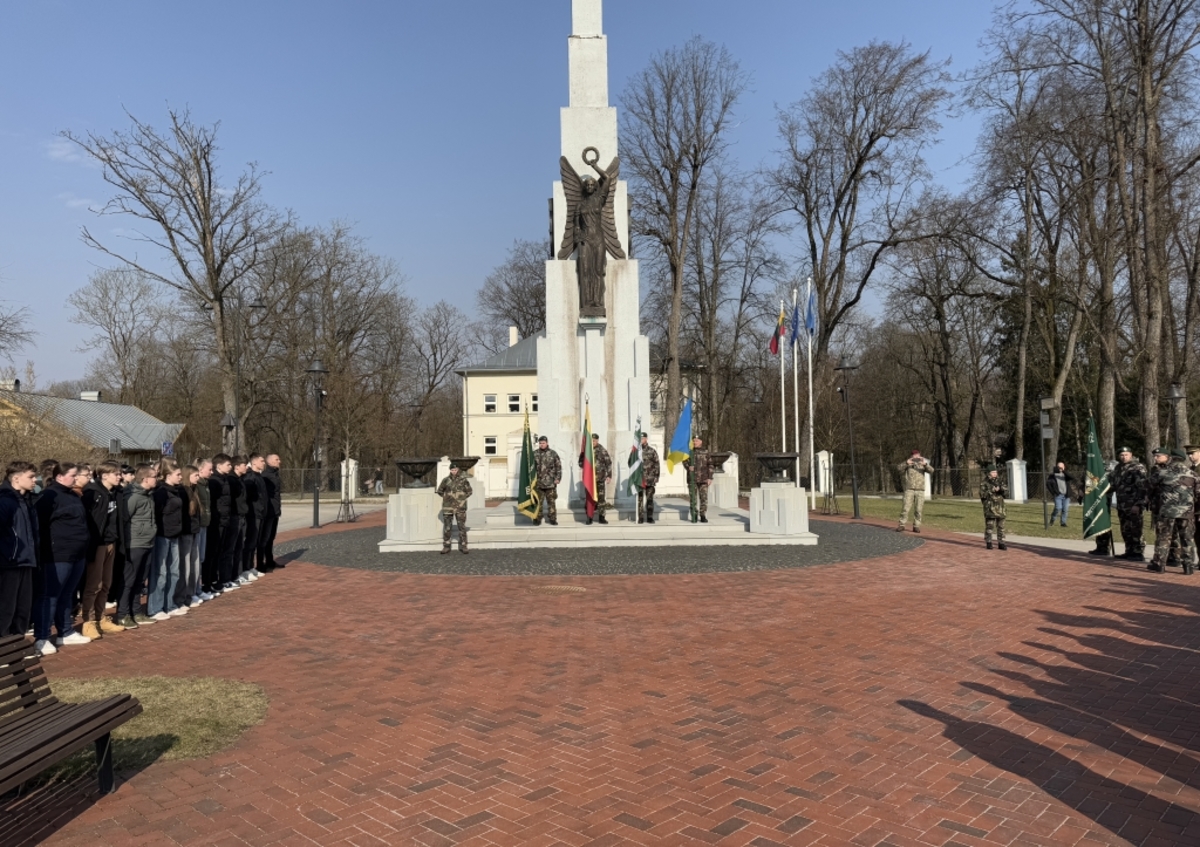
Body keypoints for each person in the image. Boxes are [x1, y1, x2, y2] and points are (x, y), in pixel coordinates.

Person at [33, 461, 91, 652]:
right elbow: (40, 525)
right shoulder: (49, 496)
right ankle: (42, 636)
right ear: (59, 476)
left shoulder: (73, 495)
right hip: (57, 555)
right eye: (72, 475)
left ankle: (65, 631)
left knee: (68, 593)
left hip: (77, 553)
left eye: (76, 475)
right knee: (50, 595)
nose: (76, 478)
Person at [79, 460, 124, 639]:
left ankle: (100, 617)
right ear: (104, 475)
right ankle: (88, 621)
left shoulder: (114, 493)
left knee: (106, 583)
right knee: (94, 584)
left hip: (111, 542)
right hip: (97, 544)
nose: (119, 476)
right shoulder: (92, 493)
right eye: (116, 473)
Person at [0, 460, 39, 638]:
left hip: (27, 561)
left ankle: (17, 647)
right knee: (6, 609)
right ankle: (4, 651)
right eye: (30, 477)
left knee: (23, 608)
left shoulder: (26, 500)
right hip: (9, 563)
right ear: (16, 478)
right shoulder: (5, 501)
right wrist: (8, 555)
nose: (35, 480)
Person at [116, 464, 158, 628]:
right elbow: (125, 520)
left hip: (148, 541)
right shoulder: (133, 496)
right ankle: (122, 614)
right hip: (135, 543)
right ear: (145, 479)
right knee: (129, 580)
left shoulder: (148, 495)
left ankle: (136, 611)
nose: (157, 479)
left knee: (140, 580)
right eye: (154, 476)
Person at [1147, 449, 1197, 575]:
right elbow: (1198, 493)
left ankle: (1160, 564)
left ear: (1172, 458)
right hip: (1187, 512)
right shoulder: (1192, 474)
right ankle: (1188, 566)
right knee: (1187, 538)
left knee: (1164, 537)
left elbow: (1148, 486)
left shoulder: (1162, 473)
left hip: (1167, 511)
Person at [149, 458, 187, 620]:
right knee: (161, 572)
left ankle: (169, 604)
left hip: (175, 535)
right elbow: (155, 514)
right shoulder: (160, 492)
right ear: (168, 475)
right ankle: (155, 607)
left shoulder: (176, 490)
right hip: (162, 536)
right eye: (178, 474)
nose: (180, 477)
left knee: (174, 571)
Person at [1106, 447, 1148, 560]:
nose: (1124, 457)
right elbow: (1113, 484)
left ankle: (1138, 552)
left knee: (1136, 528)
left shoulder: (1137, 467)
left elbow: (1142, 487)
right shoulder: (1118, 468)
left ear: (1131, 455)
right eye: (1121, 455)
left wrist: (1138, 504)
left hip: (1133, 504)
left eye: (1126, 454)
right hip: (1122, 504)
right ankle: (1129, 551)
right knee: (1125, 529)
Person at [175, 464, 203, 610]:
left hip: (194, 531)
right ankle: (182, 596)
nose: (198, 478)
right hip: (186, 532)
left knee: (194, 564)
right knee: (185, 565)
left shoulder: (194, 491)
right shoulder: (183, 491)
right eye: (195, 475)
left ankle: (191, 593)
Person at [242, 453, 268, 579]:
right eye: (262, 460)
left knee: (255, 541)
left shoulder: (259, 477)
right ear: (254, 463)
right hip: (253, 514)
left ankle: (251, 566)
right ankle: (246, 567)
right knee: (250, 541)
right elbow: (249, 498)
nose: (264, 463)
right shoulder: (250, 477)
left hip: (260, 513)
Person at [435, 465, 472, 554]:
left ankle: (463, 545)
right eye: (452, 470)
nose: (454, 471)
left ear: (458, 469)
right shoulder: (446, 480)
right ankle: (446, 546)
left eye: (455, 469)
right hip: (448, 507)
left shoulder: (463, 480)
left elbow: (469, 491)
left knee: (461, 526)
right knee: (447, 527)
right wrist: (447, 497)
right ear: (450, 470)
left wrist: (461, 498)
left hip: (460, 507)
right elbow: (440, 491)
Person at [579, 433, 612, 525]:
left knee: (601, 498)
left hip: (600, 479)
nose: (593, 442)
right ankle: (589, 517)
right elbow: (580, 463)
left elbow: (608, 463)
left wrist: (609, 475)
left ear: (597, 440)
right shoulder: (586, 451)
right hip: (590, 480)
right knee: (589, 499)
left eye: (594, 441)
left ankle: (602, 517)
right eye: (591, 441)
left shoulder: (602, 450)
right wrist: (584, 461)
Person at [896, 450, 932, 533]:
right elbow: (898, 468)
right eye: (914, 455)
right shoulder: (908, 464)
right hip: (909, 489)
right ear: (911, 456)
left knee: (918, 509)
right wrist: (906, 463)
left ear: (920, 455)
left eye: (917, 455)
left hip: (920, 490)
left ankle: (916, 525)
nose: (915, 457)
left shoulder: (923, 464)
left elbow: (931, 470)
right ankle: (902, 525)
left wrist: (925, 464)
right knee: (905, 508)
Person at [194, 459, 215, 600]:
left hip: (205, 524)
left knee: (201, 557)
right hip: (198, 525)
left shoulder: (206, 484)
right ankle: (194, 590)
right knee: (196, 559)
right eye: (210, 469)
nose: (212, 472)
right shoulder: (197, 486)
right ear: (200, 470)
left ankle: (198, 588)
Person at [260, 454, 283, 570]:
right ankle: (263, 562)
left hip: (275, 511)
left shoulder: (274, 474)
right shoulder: (266, 476)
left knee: (271, 537)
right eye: (276, 460)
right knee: (266, 537)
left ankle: (269, 560)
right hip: (269, 511)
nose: (279, 461)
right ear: (269, 462)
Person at [683, 436, 714, 523]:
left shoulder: (706, 452)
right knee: (693, 498)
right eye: (694, 441)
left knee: (703, 498)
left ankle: (703, 515)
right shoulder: (689, 452)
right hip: (692, 479)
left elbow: (710, 465)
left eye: (696, 440)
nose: (695, 442)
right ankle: (694, 515)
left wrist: (710, 477)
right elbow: (684, 461)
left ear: (701, 442)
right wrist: (688, 467)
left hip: (703, 479)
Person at [533, 436, 562, 526]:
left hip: (551, 483)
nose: (542, 445)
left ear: (547, 443)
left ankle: (552, 519)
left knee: (551, 502)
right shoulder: (534, 454)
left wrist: (558, 478)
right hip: (539, 483)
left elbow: (558, 467)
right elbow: (531, 468)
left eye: (543, 443)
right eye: (540, 443)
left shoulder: (553, 454)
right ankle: (537, 518)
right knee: (538, 503)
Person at [979, 465, 1008, 550]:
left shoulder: (1000, 481)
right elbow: (982, 494)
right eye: (993, 472)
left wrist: (1001, 490)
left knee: (1001, 526)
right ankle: (989, 541)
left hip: (1000, 508)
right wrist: (992, 490)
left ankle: (1001, 542)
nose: (995, 473)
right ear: (989, 473)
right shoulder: (984, 483)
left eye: (996, 472)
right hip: (990, 508)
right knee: (989, 526)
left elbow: (1007, 493)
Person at [638, 432, 660, 524]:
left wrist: (656, 477)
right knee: (639, 499)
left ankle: (650, 517)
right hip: (639, 479)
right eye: (640, 438)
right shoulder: (636, 451)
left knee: (649, 499)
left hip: (650, 479)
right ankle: (640, 517)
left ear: (646, 439)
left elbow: (657, 464)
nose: (641, 440)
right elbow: (630, 463)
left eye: (643, 438)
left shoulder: (652, 451)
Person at [1046, 460, 1076, 527]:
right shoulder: (1052, 476)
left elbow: (1072, 477)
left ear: (1064, 467)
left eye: (1062, 467)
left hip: (1066, 495)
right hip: (1058, 495)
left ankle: (1063, 523)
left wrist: (1064, 471)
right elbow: (1048, 484)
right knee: (1058, 508)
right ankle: (1052, 519)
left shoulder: (1065, 475)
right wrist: (1053, 492)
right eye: (1059, 467)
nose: (1060, 468)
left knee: (1065, 509)